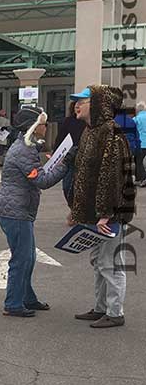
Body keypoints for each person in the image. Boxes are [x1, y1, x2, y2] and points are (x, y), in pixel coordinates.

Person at [69, 86, 136, 329]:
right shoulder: (91, 131)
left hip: (109, 214)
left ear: (98, 104)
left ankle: (115, 312)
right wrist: (76, 210)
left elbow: (112, 178)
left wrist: (106, 213)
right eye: (76, 102)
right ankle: (100, 308)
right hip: (94, 214)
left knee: (111, 263)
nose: (76, 105)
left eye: (83, 101)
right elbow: (85, 176)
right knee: (98, 262)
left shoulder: (111, 134)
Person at [0, 106, 67, 317]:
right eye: (43, 123)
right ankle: (13, 304)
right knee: (22, 258)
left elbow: (37, 171)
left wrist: (53, 160)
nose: (46, 127)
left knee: (28, 257)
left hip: (17, 209)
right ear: (33, 127)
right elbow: (42, 181)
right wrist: (64, 166)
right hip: (15, 211)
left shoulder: (25, 147)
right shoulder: (23, 151)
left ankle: (27, 298)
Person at [58, 101, 87, 205]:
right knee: (67, 186)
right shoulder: (68, 121)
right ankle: (73, 208)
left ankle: (78, 211)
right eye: (76, 106)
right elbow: (60, 138)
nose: (77, 108)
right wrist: (56, 154)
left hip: (84, 158)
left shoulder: (88, 123)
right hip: (69, 158)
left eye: (80, 106)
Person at [116, 106, 142, 188]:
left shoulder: (113, 121)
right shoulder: (131, 121)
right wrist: (138, 149)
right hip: (130, 148)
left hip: (118, 148)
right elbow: (136, 136)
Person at [135, 101, 146, 186]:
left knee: (139, 161)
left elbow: (131, 126)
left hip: (141, 143)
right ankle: (140, 179)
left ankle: (142, 179)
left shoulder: (137, 118)